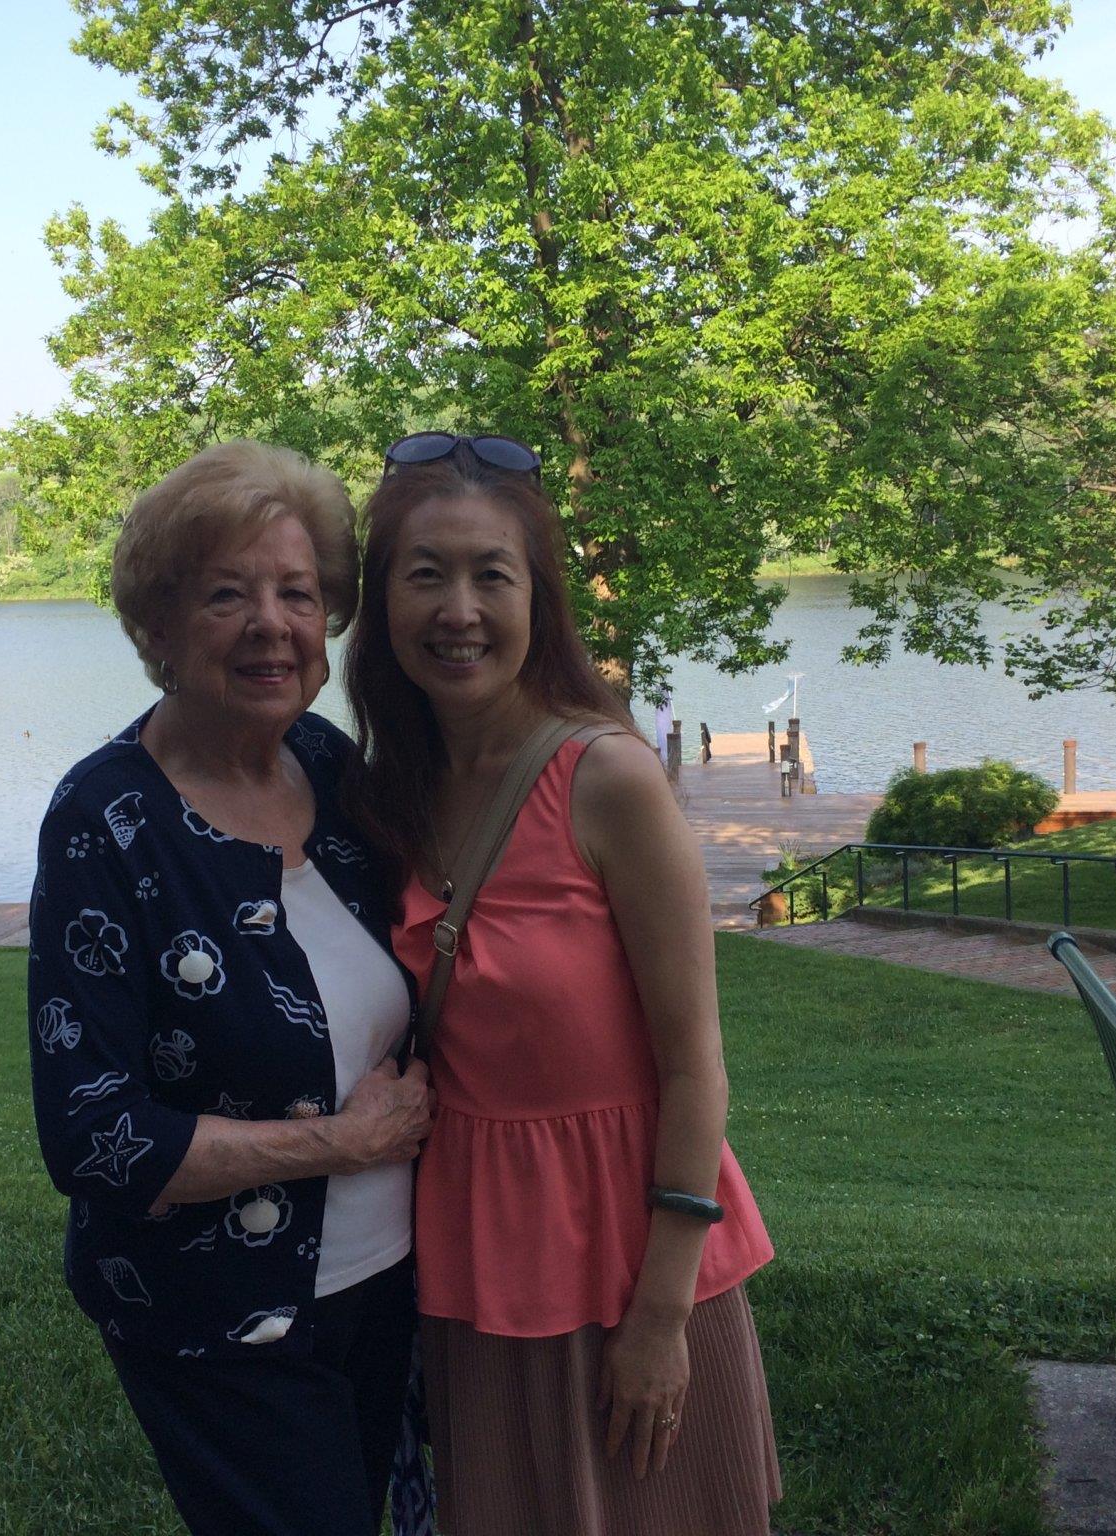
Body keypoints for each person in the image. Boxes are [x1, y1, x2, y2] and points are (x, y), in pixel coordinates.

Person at [344, 432, 780, 1533]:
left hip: (632, 1257)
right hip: (476, 1261)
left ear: (537, 599)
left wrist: (661, 1317)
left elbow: (694, 1065)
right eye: (423, 574)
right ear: (380, 600)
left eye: (490, 575)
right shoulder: (389, 792)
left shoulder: (607, 779)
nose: (457, 610)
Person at [28, 440, 434, 1536]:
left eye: (296, 593)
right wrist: (338, 1144)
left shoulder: (328, 767)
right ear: (156, 631)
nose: (271, 624)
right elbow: (92, 1137)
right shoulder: (106, 821)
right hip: (216, 1317)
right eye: (225, 595)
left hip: (387, 1283)